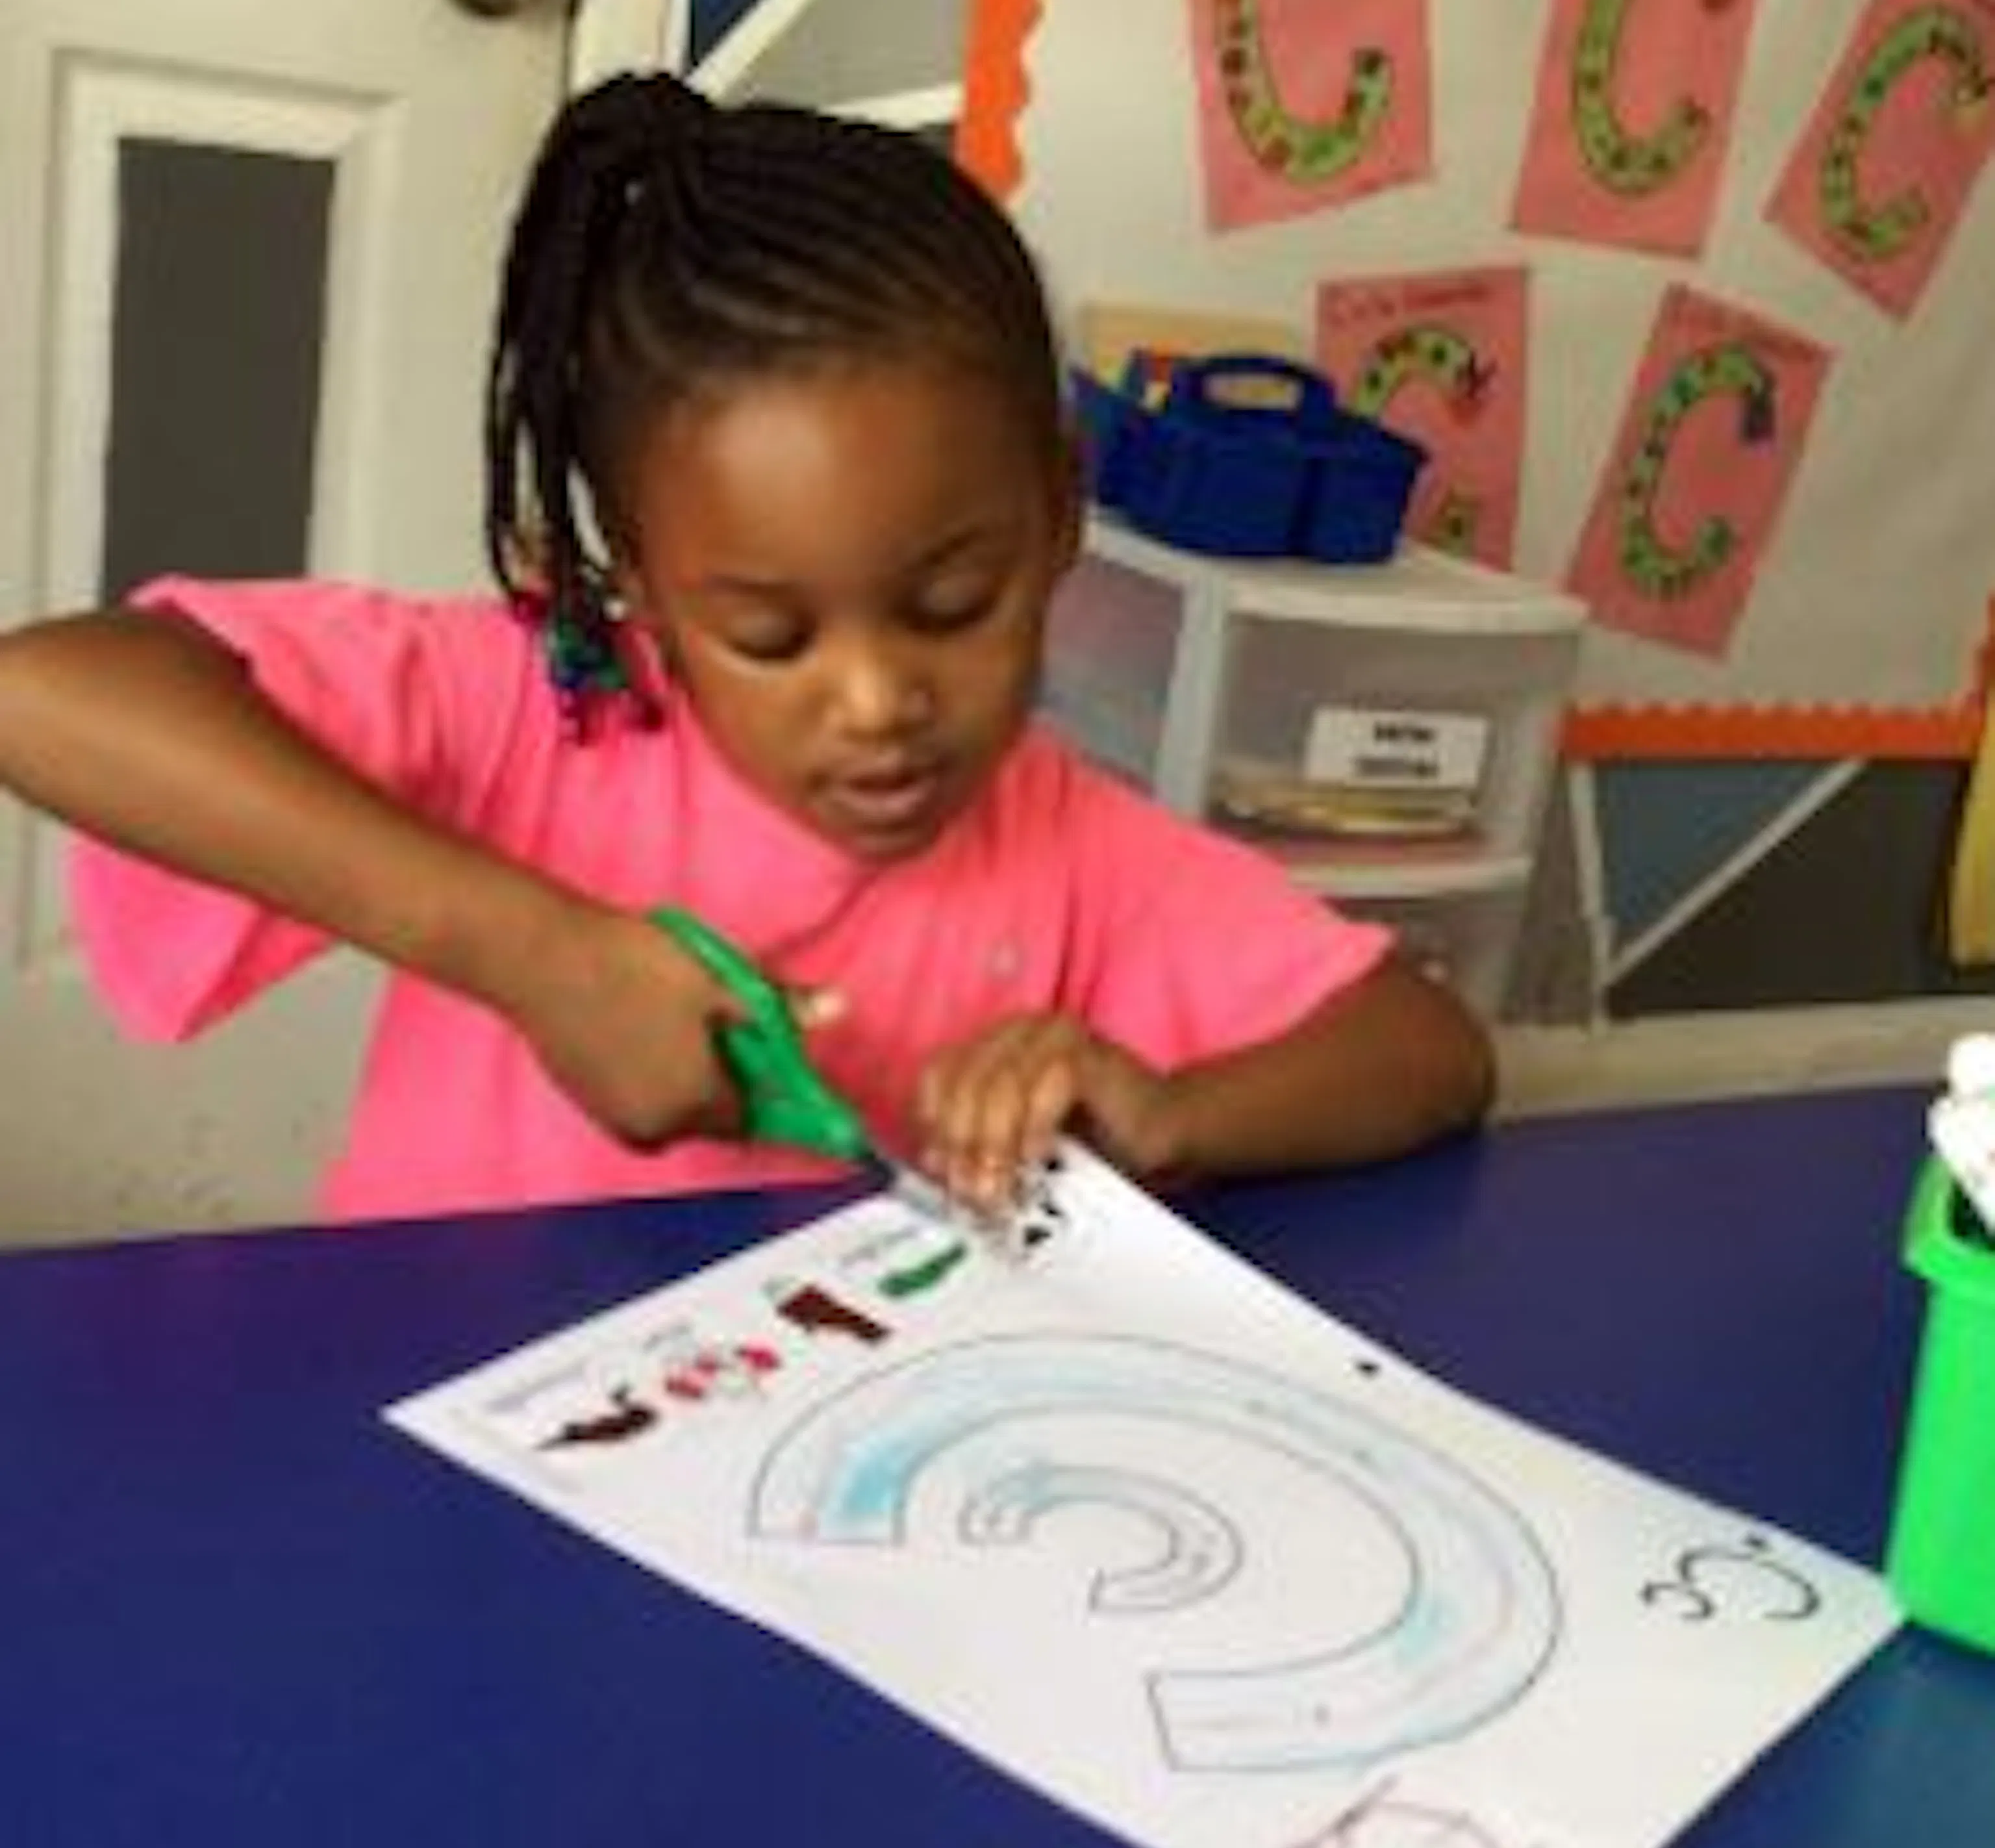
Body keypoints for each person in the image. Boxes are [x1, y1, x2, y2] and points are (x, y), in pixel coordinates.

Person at [0, 73, 1492, 1226]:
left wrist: (1169, 1114)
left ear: (1057, 514)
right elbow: (41, 692)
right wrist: (534, 952)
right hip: (440, 1412)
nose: (880, 700)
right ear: (640, 588)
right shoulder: (537, 713)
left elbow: (1431, 1052)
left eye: (953, 602)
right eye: (769, 635)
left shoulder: (1074, 848)